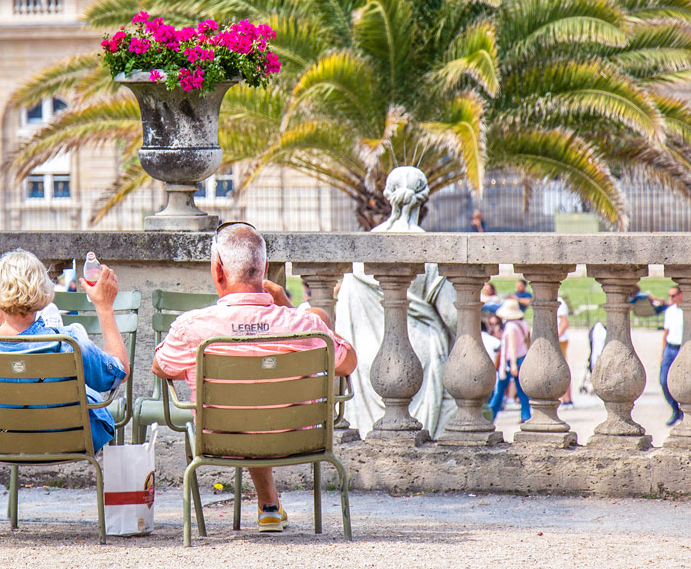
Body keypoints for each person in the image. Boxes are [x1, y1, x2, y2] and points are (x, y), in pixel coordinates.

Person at [152, 222, 356, 533]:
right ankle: (269, 504)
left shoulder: (192, 327)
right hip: (299, 439)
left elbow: (160, 366)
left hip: (222, 440)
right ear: (264, 270)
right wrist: (290, 308)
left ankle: (267, 504)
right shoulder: (304, 326)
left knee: (244, 413)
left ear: (218, 272)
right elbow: (349, 362)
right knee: (263, 402)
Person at [0, 249, 129, 452]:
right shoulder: (69, 342)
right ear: (43, 294)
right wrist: (104, 307)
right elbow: (118, 372)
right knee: (80, 385)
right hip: (66, 440)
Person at [335, 166, 458, 439]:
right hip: (419, 355)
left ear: (388, 195)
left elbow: (345, 315)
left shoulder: (363, 252)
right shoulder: (430, 249)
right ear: (423, 197)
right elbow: (454, 317)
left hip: (367, 358)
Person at [488, 298, 532, 423]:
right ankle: (525, 415)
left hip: (513, 360)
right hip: (522, 356)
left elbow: (512, 347)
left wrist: (512, 364)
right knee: (522, 390)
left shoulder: (511, 327)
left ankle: (490, 414)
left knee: (500, 389)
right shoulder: (522, 323)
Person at [662, 286, 684, 426]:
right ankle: (675, 409)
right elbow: (665, 333)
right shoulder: (670, 311)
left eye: (673, 295)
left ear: (681, 294)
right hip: (670, 348)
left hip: (683, 348)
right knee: (664, 380)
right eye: (670, 296)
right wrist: (662, 353)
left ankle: (683, 412)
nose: (671, 298)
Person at [557, 297, 573, 408]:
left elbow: (564, 322)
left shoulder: (560, 301)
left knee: (561, 368)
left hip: (560, 339)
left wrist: (555, 336)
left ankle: (566, 398)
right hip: (559, 339)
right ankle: (564, 398)